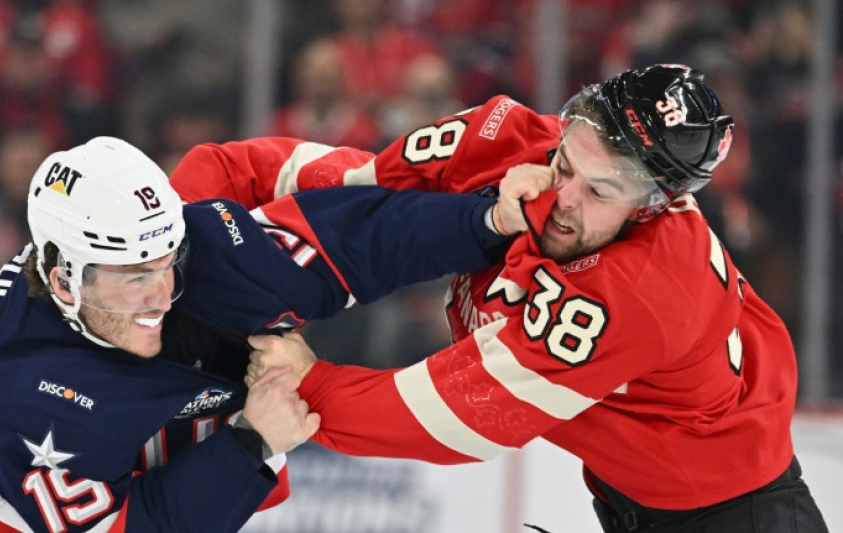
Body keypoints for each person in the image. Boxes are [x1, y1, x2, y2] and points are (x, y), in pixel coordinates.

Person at [244, 65, 830, 532]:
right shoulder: (511, 136)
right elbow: (360, 188)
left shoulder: (641, 290)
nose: (563, 196)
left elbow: (455, 417)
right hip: (645, 495)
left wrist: (308, 385)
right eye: (566, 162)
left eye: (599, 190)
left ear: (652, 205)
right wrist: (218, 201)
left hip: (738, 515)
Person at [0, 135, 524, 533]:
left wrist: (490, 218)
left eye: (167, 263)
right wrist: (253, 443)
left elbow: (358, 240)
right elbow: (139, 525)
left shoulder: (199, 252)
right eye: (136, 277)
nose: (161, 294)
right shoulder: (11, 386)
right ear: (65, 283)